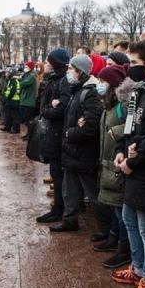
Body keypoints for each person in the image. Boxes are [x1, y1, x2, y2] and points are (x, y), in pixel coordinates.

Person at [111, 40, 145, 288]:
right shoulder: (137, 92)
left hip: (144, 170)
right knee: (128, 219)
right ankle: (138, 267)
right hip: (131, 167)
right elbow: (130, 128)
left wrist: (133, 161)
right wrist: (122, 153)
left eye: (134, 63)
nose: (129, 68)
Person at [49, 54, 104, 232]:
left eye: (72, 69)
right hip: (72, 151)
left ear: (80, 71)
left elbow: (90, 125)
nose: (69, 72)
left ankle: (105, 229)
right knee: (70, 192)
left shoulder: (90, 92)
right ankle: (69, 221)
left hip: (83, 153)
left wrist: (70, 132)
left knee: (93, 194)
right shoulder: (77, 89)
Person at [91, 65, 133, 270]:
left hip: (117, 160)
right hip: (107, 159)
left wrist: (117, 132)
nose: (99, 84)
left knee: (120, 209)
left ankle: (123, 249)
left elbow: (132, 126)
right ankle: (114, 239)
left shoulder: (123, 104)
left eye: (102, 81)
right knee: (114, 207)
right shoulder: (108, 103)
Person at [35, 48, 71, 223]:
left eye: (49, 61)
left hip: (58, 133)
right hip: (53, 132)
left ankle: (59, 209)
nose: (45, 64)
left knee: (58, 174)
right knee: (56, 173)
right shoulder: (55, 78)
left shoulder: (62, 80)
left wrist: (47, 111)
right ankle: (58, 207)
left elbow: (61, 108)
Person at [20, 61, 37, 138]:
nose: (25, 68)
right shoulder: (28, 75)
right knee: (27, 120)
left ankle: (30, 135)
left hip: (29, 101)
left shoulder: (31, 75)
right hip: (26, 100)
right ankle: (28, 134)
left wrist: (21, 80)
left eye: (26, 67)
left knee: (29, 120)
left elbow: (23, 84)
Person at [1, 70, 21, 134]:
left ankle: (16, 129)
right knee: (8, 115)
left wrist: (8, 96)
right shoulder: (10, 81)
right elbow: (7, 89)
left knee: (15, 116)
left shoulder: (15, 81)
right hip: (10, 100)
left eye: (8, 73)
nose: (6, 74)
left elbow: (13, 91)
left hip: (14, 100)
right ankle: (7, 127)